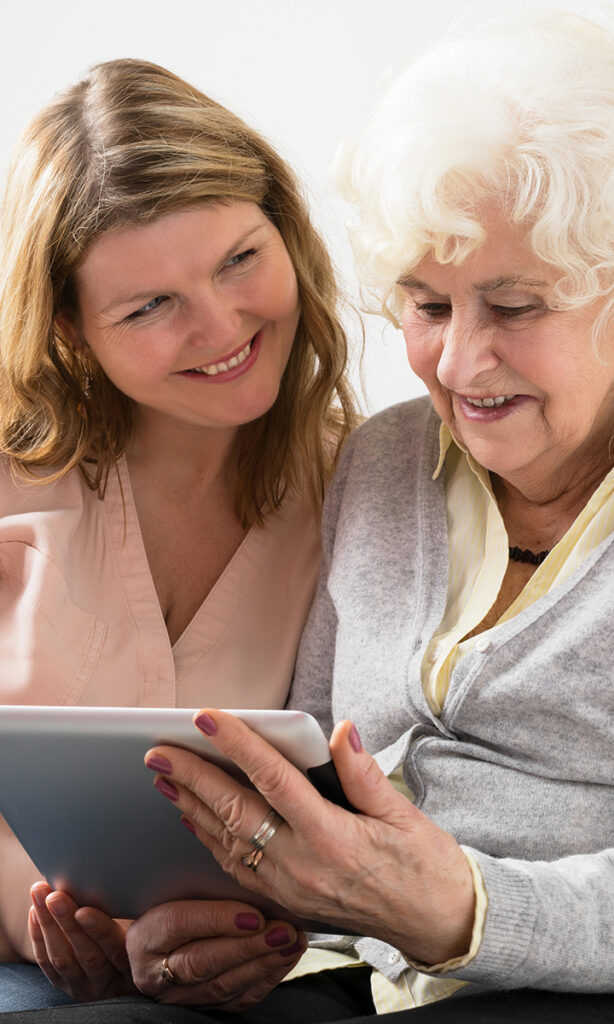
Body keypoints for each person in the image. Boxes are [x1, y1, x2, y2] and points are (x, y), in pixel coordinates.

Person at [39, 9, 614, 1024]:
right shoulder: (383, 461)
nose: (457, 362)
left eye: (515, 307)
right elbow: (307, 776)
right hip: (328, 975)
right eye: (427, 305)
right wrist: (223, 925)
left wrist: (466, 910)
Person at [0, 57, 357, 1012]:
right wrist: (74, 927)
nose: (222, 326)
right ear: (70, 328)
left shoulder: (356, 487)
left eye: (239, 260)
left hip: (243, 979)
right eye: (150, 306)